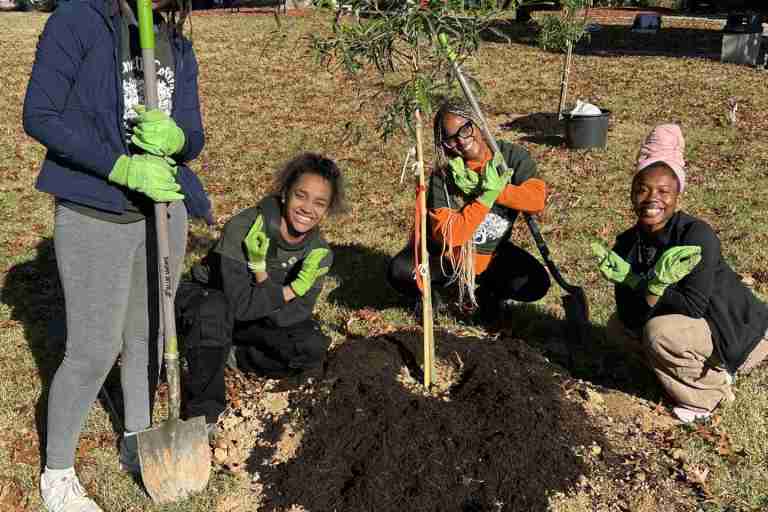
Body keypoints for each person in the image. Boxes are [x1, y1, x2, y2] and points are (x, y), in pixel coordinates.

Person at [23, 0, 210, 509]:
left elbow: (192, 133)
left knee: (146, 336)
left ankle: (137, 438)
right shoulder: (79, 19)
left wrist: (177, 139)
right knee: (94, 350)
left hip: (163, 211)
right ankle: (57, 473)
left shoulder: (177, 42)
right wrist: (121, 168)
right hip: (95, 210)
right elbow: (40, 113)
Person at [592, 124, 768, 423]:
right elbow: (630, 315)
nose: (652, 198)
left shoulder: (696, 235)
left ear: (678, 196)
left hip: (737, 329)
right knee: (617, 327)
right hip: (694, 328)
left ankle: (711, 393)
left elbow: (694, 305)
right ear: (632, 193)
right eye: (643, 188)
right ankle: (694, 370)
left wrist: (651, 285)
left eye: (663, 191)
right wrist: (633, 282)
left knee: (660, 334)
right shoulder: (627, 243)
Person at [176, 153, 345, 430]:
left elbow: (294, 315)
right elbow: (238, 304)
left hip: (257, 315)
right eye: (301, 196)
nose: (307, 208)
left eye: (319, 203)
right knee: (214, 310)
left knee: (310, 347)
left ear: (326, 211)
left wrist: (264, 279)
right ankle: (204, 416)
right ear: (285, 193)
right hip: (208, 297)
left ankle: (235, 355)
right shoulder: (245, 227)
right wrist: (288, 289)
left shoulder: (318, 253)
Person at [387, 98, 550, 321]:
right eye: (450, 139)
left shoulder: (510, 158)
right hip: (445, 259)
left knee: (536, 283)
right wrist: (486, 196)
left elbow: (536, 199)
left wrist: (499, 190)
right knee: (401, 271)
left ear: (477, 122)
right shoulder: (444, 175)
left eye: (465, 129)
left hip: (490, 254)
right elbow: (450, 236)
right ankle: (433, 296)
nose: (461, 142)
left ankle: (488, 294)